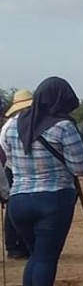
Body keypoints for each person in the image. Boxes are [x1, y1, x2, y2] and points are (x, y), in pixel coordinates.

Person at [1, 76, 83, 286]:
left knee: (36, 256)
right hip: (53, 197)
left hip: (19, 199)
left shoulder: (15, 124)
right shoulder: (63, 127)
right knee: (46, 257)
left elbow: (7, 159)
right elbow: (80, 167)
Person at [1, 89, 33, 259]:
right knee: (14, 209)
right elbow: (4, 152)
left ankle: (23, 243)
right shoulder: (9, 127)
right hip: (12, 170)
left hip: (24, 172)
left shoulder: (31, 124)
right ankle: (13, 245)